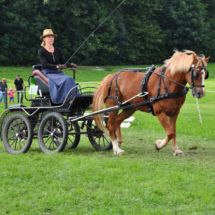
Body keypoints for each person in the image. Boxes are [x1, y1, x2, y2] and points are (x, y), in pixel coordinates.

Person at [38, 29, 78, 104]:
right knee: (66, 79)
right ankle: (68, 100)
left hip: (57, 72)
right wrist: (57, 66)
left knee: (70, 79)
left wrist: (70, 65)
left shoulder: (58, 50)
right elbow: (44, 64)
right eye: (49, 37)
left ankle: (75, 98)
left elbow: (63, 62)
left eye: (52, 37)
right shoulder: (41, 51)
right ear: (44, 39)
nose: (51, 38)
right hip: (47, 72)